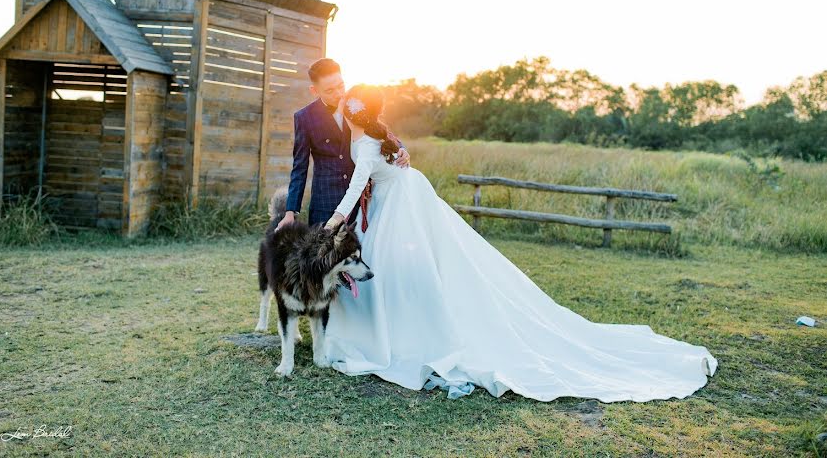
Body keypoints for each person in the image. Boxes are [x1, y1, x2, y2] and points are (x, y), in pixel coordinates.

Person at [320, 84, 719, 402]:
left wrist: (336, 221)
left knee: (402, 269)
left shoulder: (366, 144)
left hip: (401, 207)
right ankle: (396, 325)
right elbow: (376, 171)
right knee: (406, 267)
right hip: (407, 197)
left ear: (353, 113)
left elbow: (357, 186)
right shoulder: (377, 136)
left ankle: (402, 334)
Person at [276, 59, 411, 232]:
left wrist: (401, 149)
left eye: (341, 86)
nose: (339, 94)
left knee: (363, 254)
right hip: (325, 203)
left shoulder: (357, 103)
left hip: (364, 200)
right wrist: (290, 212)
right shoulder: (304, 118)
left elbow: (379, 131)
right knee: (323, 255)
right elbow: (299, 168)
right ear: (314, 91)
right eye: (330, 91)